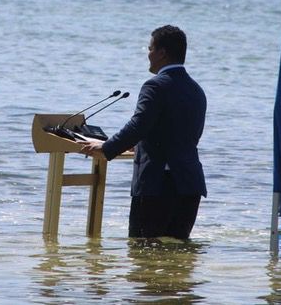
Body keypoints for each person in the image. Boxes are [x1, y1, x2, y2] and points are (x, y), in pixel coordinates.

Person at [80, 25, 207, 240]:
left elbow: (138, 125)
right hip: (189, 186)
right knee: (176, 261)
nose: (148, 54)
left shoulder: (155, 85)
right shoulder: (196, 89)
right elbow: (178, 133)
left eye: (150, 49)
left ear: (161, 53)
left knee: (142, 255)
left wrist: (107, 147)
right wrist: (140, 144)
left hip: (158, 186)